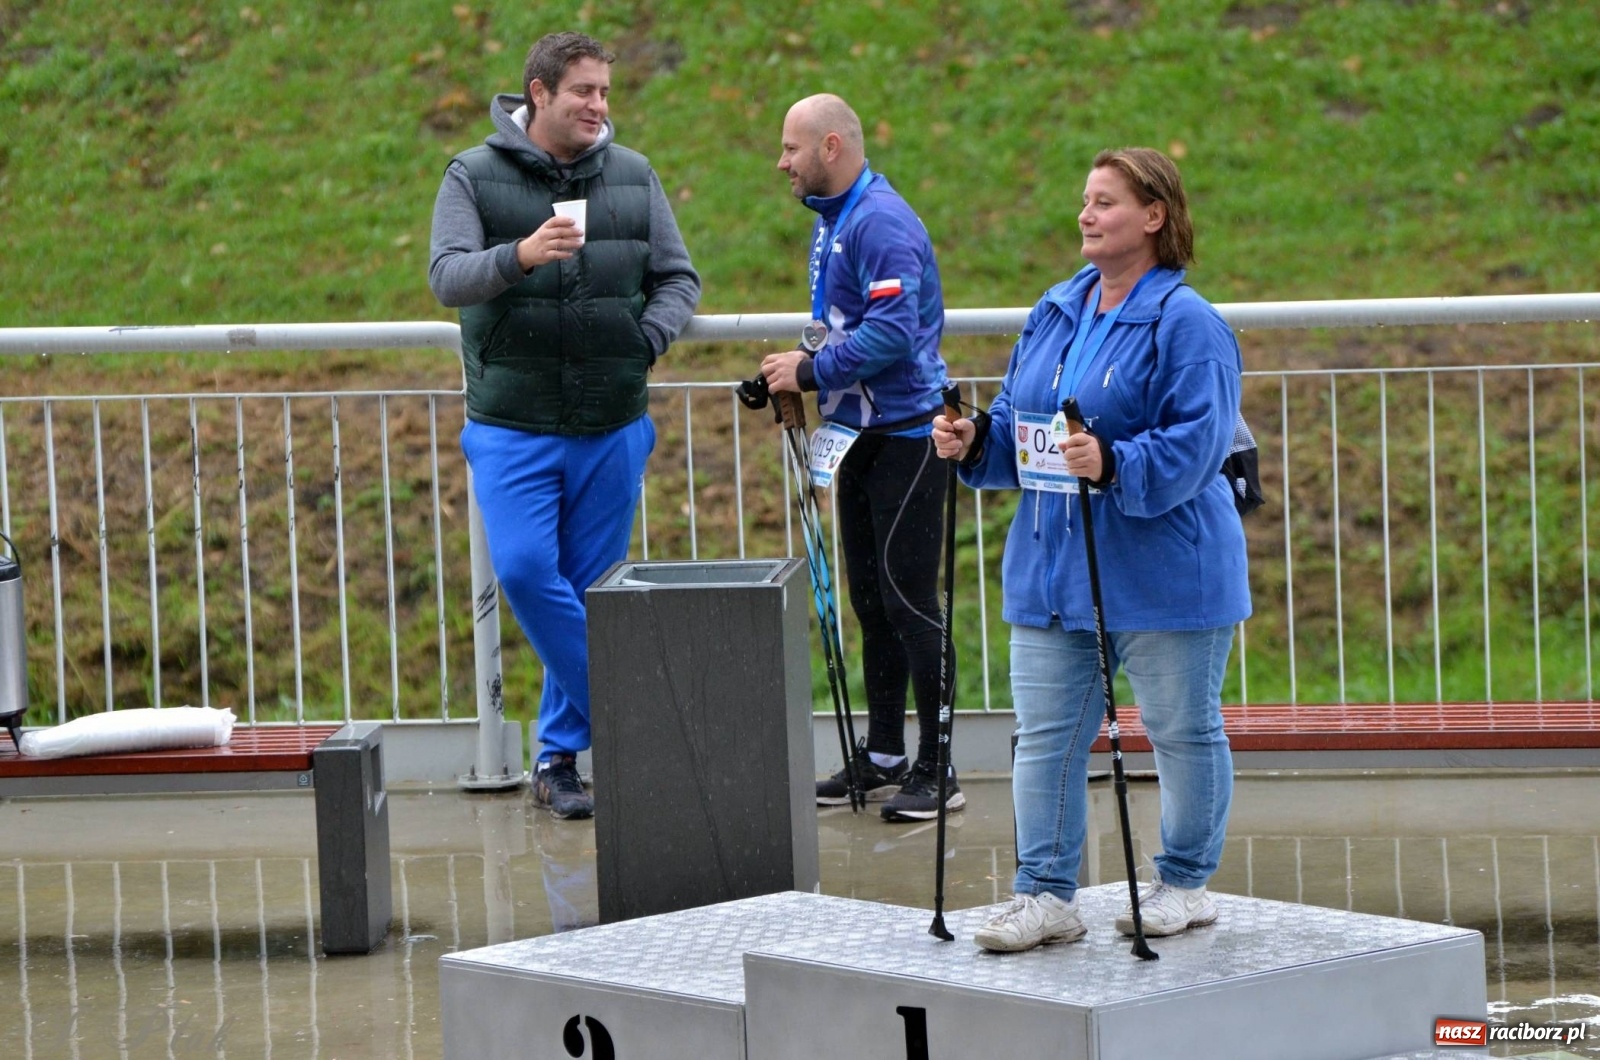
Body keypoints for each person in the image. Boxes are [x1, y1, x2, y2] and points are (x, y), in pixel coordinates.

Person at [933, 148, 1250, 949]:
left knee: (1180, 729)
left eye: (1105, 201)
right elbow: (1019, 422)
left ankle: (1185, 883)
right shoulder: (1057, 309)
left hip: (1166, 569)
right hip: (1052, 570)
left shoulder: (1190, 324)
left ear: (1154, 217)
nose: (1085, 214)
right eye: (1085, 199)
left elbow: (1198, 443)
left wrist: (1115, 463)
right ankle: (1045, 895)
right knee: (1044, 735)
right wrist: (974, 441)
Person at [428, 31, 701, 820]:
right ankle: (642, 719)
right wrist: (519, 255)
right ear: (538, 94)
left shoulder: (634, 175)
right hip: (513, 425)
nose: (599, 106)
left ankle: (557, 761)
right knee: (522, 571)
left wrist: (644, 339)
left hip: (612, 422)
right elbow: (447, 277)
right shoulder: (472, 175)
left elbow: (678, 278)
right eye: (584, 90)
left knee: (590, 592)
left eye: (606, 93)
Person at [760, 94, 960, 823]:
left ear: (832, 147)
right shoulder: (834, 220)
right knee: (871, 603)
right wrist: (802, 365)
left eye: (791, 148)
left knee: (911, 603)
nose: (781, 162)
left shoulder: (879, 222)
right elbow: (842, 328)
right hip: (856, 436)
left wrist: (807, 373)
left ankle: (941, 769)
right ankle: (883, 756)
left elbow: (893, 336)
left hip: (907, 437)